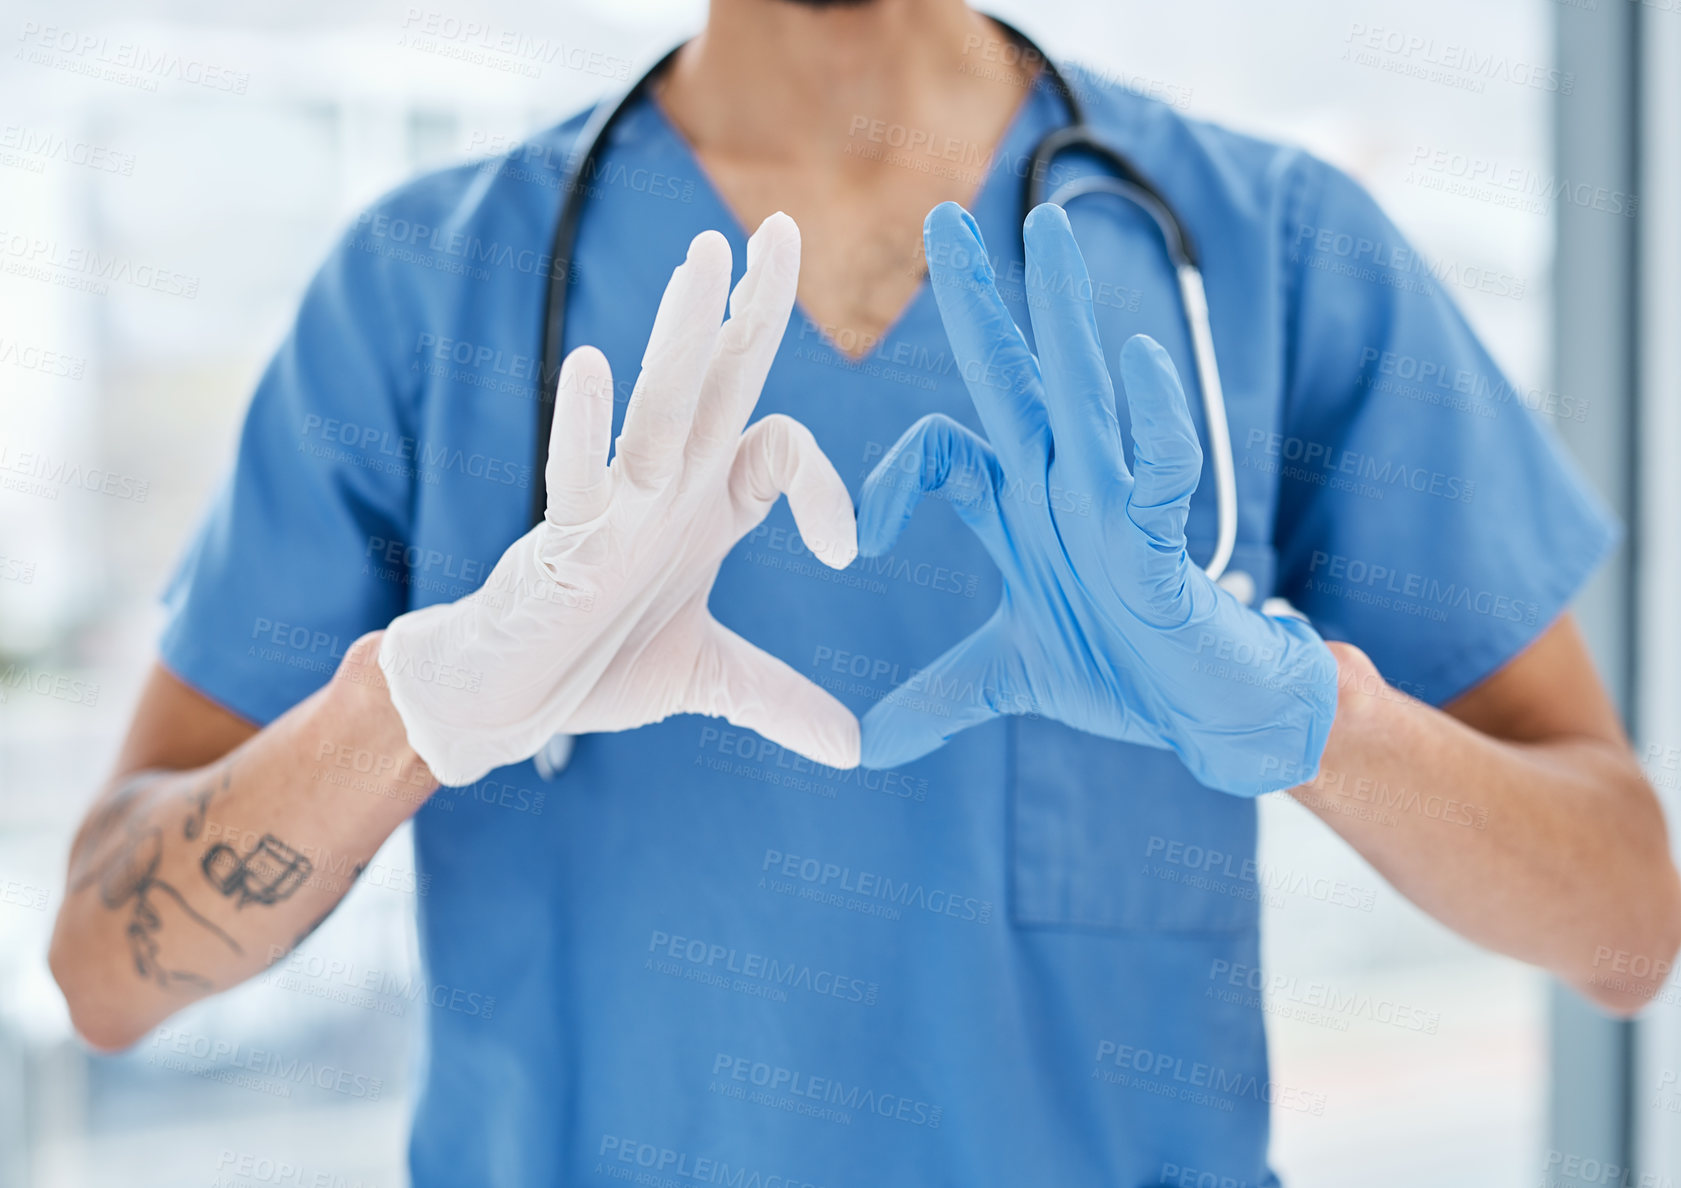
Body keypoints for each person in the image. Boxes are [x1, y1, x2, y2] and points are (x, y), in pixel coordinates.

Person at [47, 1, 1681, 1184]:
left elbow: (1621, 922)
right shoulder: (427, 290)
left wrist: (1316, 725)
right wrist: (405, 712)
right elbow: (104, 975)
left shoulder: (1262, 254)